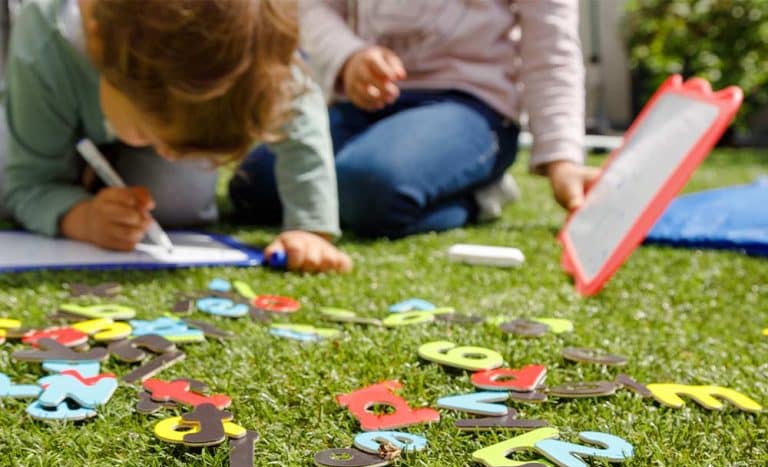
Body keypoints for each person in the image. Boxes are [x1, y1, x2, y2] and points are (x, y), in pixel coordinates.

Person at [0, 0, 352, 272]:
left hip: (132, 97)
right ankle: (79, 178)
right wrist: (82, 217)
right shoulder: (45, 41)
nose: (170, 155)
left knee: (177, 202)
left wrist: (310, 228)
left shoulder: (245, 39)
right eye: (147, 131)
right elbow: (29, 182)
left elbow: (298, 107)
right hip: (41, 112)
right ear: (97, 42)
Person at [230, 0, 599, 238]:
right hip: (364, 101)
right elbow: (313, 8)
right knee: (253, 185)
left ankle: (480, 197)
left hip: (470, 105)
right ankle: (423, 180)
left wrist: (561, 159)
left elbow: (551, 50)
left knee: (367, 187)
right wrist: (349, 57)